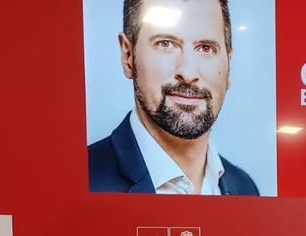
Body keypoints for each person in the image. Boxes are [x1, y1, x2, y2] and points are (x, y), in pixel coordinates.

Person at [87, 0, 259, 195]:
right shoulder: (82, 180)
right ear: (128, 56)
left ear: (229, 65)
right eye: (166, 44)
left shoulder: (244, 187)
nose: (187, 72)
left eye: (205, 48)